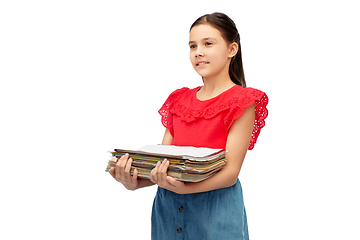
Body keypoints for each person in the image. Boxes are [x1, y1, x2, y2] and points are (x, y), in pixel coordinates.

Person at [109, 12, 268, 240]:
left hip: (215, 213)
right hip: (168, 211)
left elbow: (230, 174)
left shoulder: (242, 100)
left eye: (208, 43)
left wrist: (186, 189)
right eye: (193, 46)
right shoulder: (179, 100)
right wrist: (132, 182)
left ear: (232, 50)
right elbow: (163, 164)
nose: (198, 52)